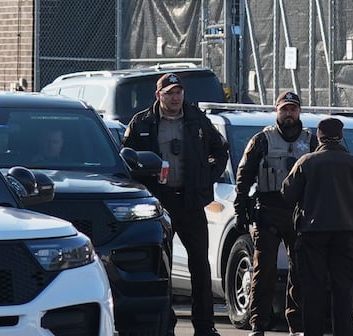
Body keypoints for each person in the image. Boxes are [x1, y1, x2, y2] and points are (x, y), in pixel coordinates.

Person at [123, 72, 228, 336]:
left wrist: (207, 178)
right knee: (162, 267)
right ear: (158, 95)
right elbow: (127, 158)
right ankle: (164, 326)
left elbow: (220, 151)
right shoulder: (142, 122)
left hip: (191, 202)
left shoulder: (197, 120)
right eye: (169, 93)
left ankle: (204, 326)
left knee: (200, 267)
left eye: (178, 92)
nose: (175, 97)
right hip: (160, 205)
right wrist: (144, 184)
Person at [281, 118, 353, 336]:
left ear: (319, 137)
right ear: (341, 136)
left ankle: (312, 332)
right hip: (347, 234)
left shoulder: (306, 162)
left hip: (312, 234)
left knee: (313, 289)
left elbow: (287, 194)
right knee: (344, 289)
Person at [234, 90, 318, 336]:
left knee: (301, 269)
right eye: (284, 109)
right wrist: (240, 209)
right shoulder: (262, 140)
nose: (289, 114)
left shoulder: (311, 142)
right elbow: (244, 177)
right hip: (269, 210)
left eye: (293, 109)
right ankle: (258, 324)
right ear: (276, 111)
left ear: (299, 111)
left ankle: (297, 325)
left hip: (300, 212)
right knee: (264, 270)